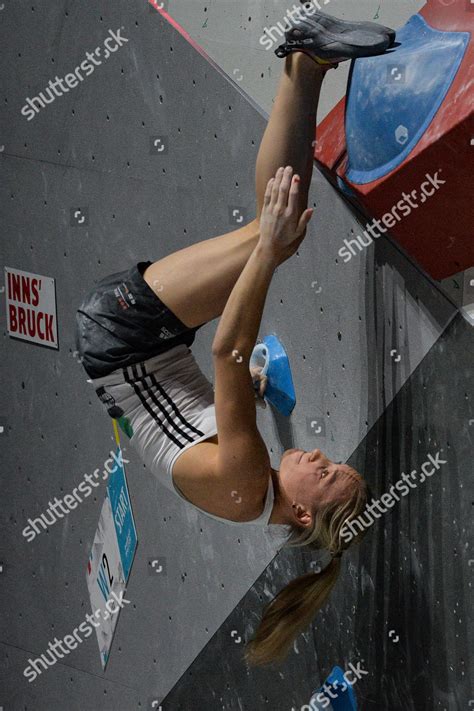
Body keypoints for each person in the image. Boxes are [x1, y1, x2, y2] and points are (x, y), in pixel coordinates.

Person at [75, 10, 394, 666]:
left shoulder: (248, 489)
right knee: (276, 231)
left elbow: (227, 351)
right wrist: (240, 398)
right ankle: (306, 66)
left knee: (274, 234)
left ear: (302, 516)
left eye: (325, 473)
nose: (316, 455)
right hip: (142, 352)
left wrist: (268, 257)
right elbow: (193, 416)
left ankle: (304, 61)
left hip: (122, 333)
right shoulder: (253, 492)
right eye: (332, 459)